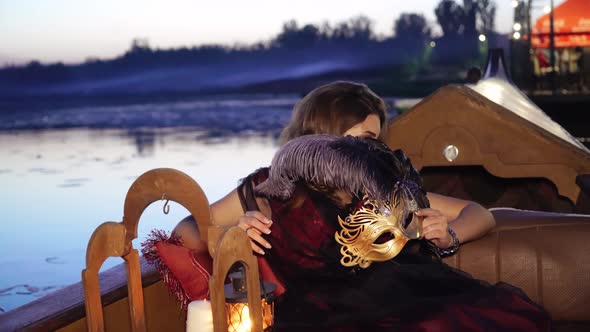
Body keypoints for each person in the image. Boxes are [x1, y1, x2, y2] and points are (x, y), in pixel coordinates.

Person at [174, 81, 550, 331]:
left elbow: (479, 213)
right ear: (319, 135)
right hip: (315, 317)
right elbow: (185, 230)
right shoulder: (270, 185)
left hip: (400, 299)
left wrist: (448, 235)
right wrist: (229, 235)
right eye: (356, 139)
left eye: (372, 140)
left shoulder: (381, 185)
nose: (366, 150)